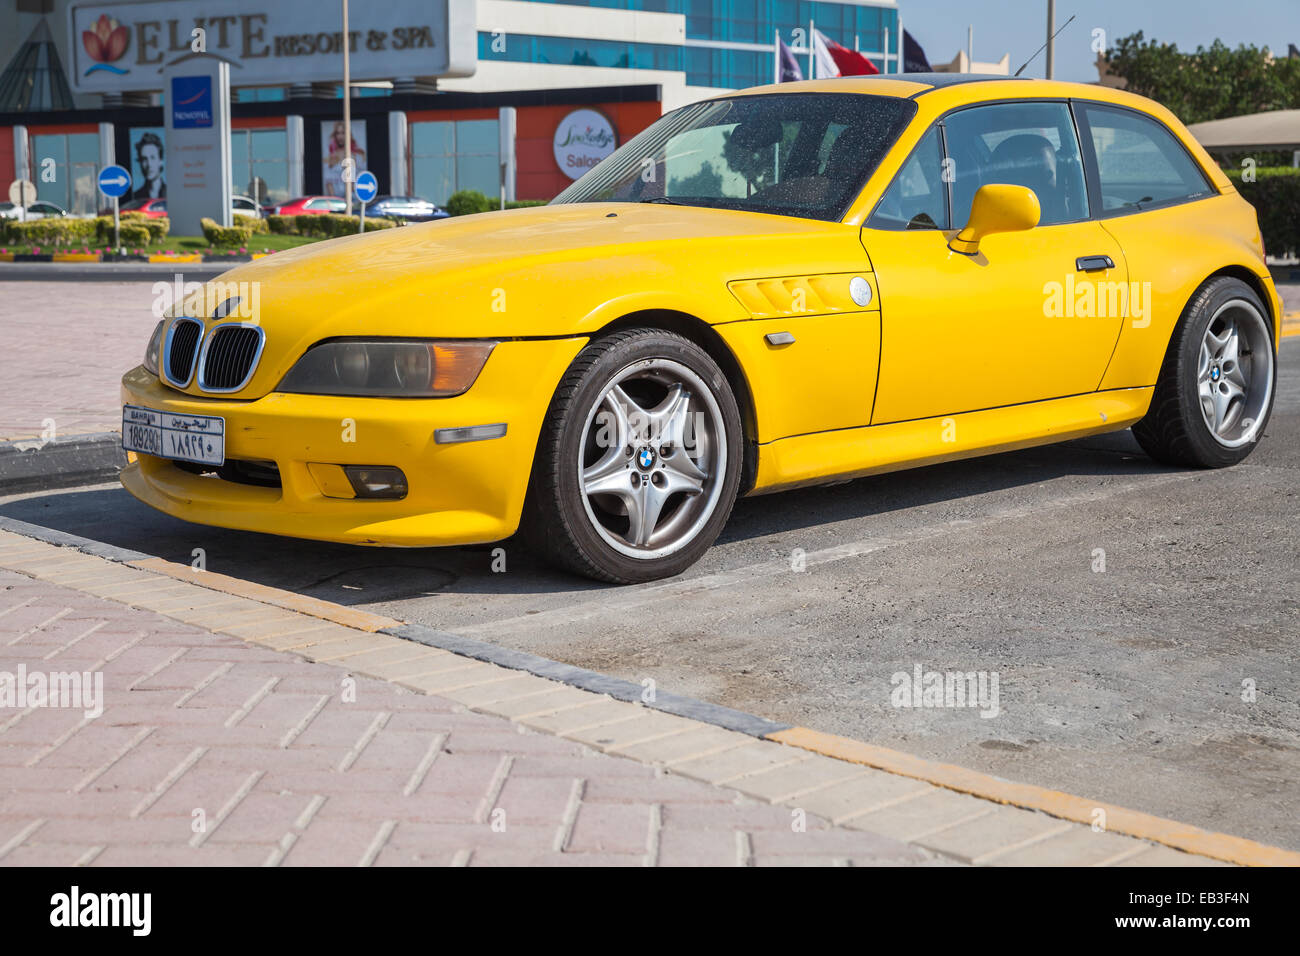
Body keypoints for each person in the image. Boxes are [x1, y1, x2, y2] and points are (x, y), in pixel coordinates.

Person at [323, 121, 366, 197]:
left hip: (353, 199)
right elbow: (329, 184)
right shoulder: (331, 157)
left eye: (343, 133)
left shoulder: (356, 156)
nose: (340, 136)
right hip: (336, 201)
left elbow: (359, 182)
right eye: (338, 133)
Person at [131, 132, 165, 200]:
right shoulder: (136, 197)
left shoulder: (172, 192)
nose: (149, 164)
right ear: (140, 162)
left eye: (152, 158)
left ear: (160, 161)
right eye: (144, 159)